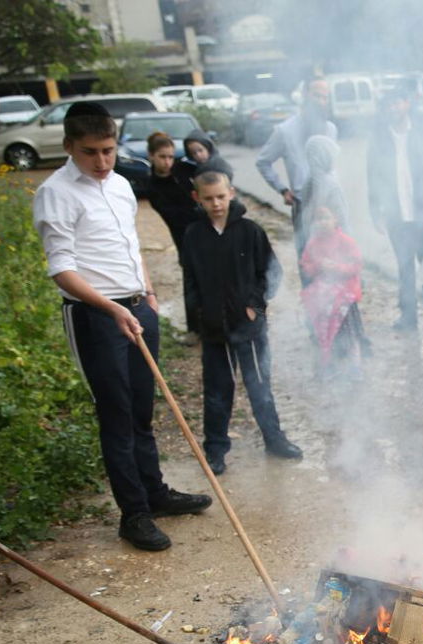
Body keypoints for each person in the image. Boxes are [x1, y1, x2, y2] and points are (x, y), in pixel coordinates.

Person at [33, 102, 212, 552]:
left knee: (141, 410)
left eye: (108, 150)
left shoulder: (120, 185)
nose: (102, 161)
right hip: (95, 315)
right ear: (69, 146)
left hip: (137, 306)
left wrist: (147, 293)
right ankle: (134, 514)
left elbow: (130, 246)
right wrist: (111, 309)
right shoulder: (55, 193)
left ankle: (155, 493)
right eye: (90, 152)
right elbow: (62, 269)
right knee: (116, 416)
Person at [180, 171, 300, 477]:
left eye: (221, 196)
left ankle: (275, 439)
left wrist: (255, 307)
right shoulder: (193, 235)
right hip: (213, 330)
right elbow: (190, 281)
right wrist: (197, 316)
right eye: (208, 198)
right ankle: (215, 450)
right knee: (217, 391)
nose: (216, 203)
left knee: (260, 386)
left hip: (249, 328)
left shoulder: (250, 231)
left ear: (231, 193)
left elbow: (271, 273)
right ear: (197, 198)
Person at [367, 88, 423, 331]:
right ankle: (408, 316)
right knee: (405, 267)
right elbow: (373, 178)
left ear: (407, 103)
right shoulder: (378, 141)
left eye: (397, 103)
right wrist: (375, 212)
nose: (393, 108)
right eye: (388, 104)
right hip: (396, 216)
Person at [256, 78, 338, 258]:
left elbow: (332, 166)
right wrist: (282, 189)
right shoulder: (285, 131)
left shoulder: (330, 129)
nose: (321, 101)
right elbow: (263, 161)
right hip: (304, 205)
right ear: (305, 96)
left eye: (325, 97)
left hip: (331, 203)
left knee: (335, 257)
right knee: (307, 257)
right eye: (317, 96)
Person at [142, 132, 201, 339]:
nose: (168, 162)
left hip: (206, 230)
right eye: (162, 157)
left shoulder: (184, 170)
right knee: (192, 284)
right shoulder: (152, 186)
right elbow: (173, 216)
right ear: (151, 156)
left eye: (170, 157)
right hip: (184, 239)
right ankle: (195, 330)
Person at [300, 203, 365, 373]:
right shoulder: (313, 243)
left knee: (350, 334)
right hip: (323, 297)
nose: (323, 222)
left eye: (326, 218)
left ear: (335, 220)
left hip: (345, 296)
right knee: (324, 332)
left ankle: (354, 367)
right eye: (318, 219)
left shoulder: (346, 242)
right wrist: (318, 266)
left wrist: (337, 267)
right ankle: (328, 365)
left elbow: (356, 265)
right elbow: (306, 265)